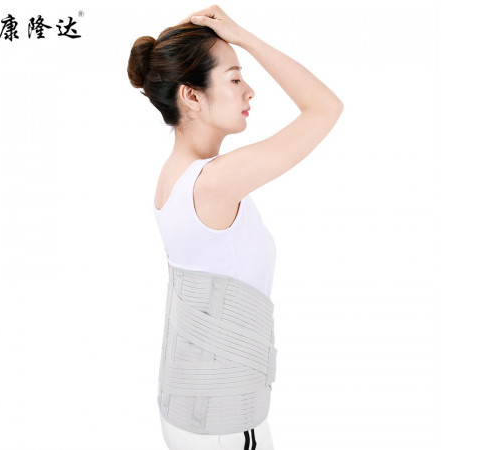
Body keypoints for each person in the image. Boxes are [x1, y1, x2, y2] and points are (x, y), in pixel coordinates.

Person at [127, 5, 343, 449]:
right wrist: (243, 36)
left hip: (194, 411)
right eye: (234, 78)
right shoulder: (212, 183)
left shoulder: (173, 178)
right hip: (222, 421)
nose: (249, 90)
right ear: (191, 96)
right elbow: (325, 108)